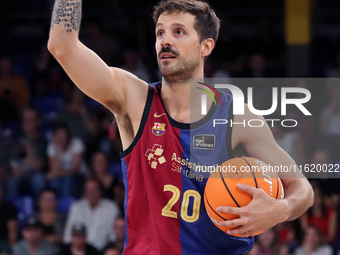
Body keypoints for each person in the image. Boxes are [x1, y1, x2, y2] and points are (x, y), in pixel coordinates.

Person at [48, 0, 314, 254]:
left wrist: (282, 209)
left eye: (178, 32)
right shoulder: (135, 100)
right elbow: (62, 46)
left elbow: (301, 188)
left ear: (205, 46)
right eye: (160, 32)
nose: (165, 40)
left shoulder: (238, 118)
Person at [63, 179, 120, 251]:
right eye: (88, 191)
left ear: (100, 191)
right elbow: (68, 234)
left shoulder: (111, 208)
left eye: (93, 190)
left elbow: (114, 237)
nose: (90, 194)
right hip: (78, 250)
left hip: (102, 251)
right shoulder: (77, 207)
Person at [6, 106, 47, 199]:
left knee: (38, 179)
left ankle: (39, 208)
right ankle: (11, 209)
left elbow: (38, 166)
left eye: (31, 120)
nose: (27, 123)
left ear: (38, 121)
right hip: (19, 175)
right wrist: (29, 160)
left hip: (36, 175)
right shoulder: (16, 141)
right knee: (11, 181)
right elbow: (15, 170)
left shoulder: (42, 141)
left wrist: (28, 157)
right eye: (25, 120)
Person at [46, 123, 86, 197]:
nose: (61, 139)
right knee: (55, 181)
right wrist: (59, 152)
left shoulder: (76, 143)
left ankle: (67, 204)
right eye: (59, 136)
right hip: (61, 176)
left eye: (63, 136)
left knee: (68, 181)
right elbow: (54, 169)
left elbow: (75, 169)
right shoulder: (52, 146)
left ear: (68, 137)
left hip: (79, 175)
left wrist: (57, 173)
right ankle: (56, 204)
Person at [0, 182, 17, 254]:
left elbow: (12, 228)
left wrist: (12, 247)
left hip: (3, 240)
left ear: (2, 192)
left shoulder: (9, 208)